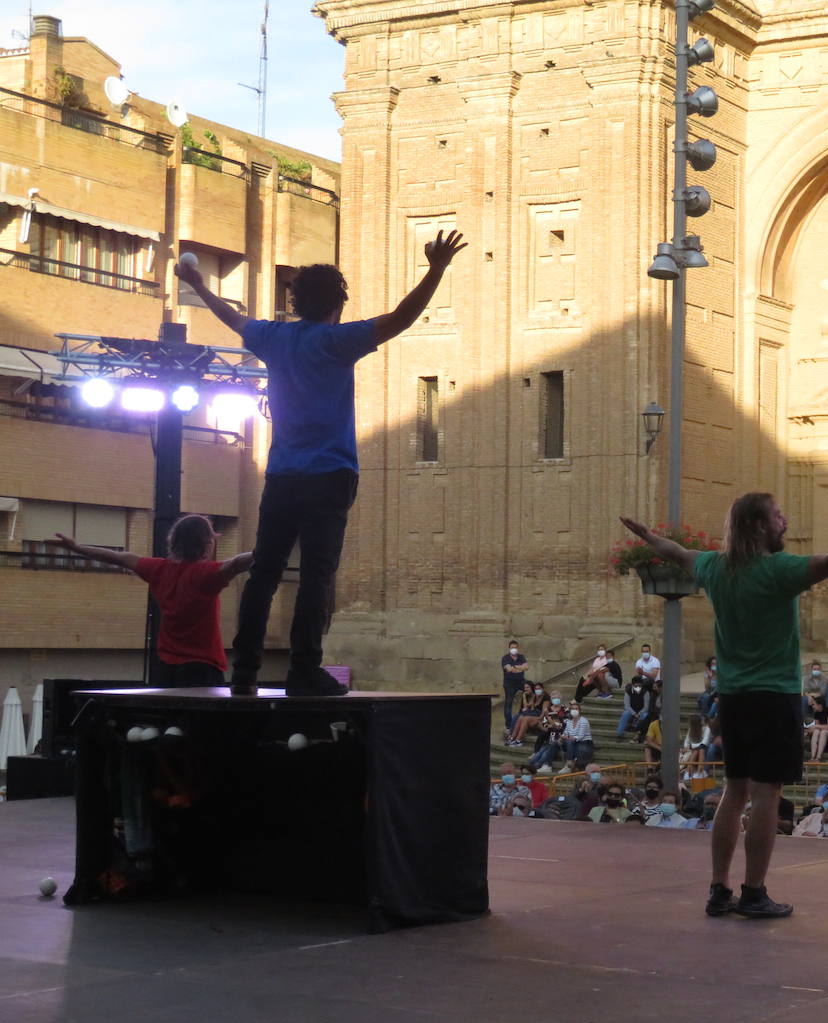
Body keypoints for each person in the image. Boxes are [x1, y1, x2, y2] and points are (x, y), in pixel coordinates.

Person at [177, 230, 467, 696]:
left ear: (294, 303)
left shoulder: (271, 337)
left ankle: (245, 672)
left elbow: (231, 316)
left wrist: (196, 280)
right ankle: (303, 671)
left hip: (282, 476)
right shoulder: (339, 341)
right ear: (339, 304)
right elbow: (400, 319)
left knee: (265, 572)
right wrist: (436, 269)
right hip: (330, 476)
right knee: (316, 575)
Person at [619, 494, 828, 919]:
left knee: (734, 792)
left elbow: (677, 553)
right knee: (766, 795)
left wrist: (648, 536)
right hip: (773, 699)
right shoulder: (779, 570)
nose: (785, 520)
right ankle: (753, 892)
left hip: (733, 699)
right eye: (778, 516)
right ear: (759, 526)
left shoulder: (714, 567)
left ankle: (719, 891)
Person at [48, 517, 252, 687]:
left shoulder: (158, 570)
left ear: (174, 542)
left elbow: (118, 557)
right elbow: (235, 563)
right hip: (202, 669)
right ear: (207, 543)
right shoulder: (206, 574)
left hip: (165, 669)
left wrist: (77, 548)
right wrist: (271, 549)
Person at [501, 640, 530, 733]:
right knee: (508, 703)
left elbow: (526, 667)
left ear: (518, 648)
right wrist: (519, 667)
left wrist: (515, 667)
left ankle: (526, 717)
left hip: (521, 681)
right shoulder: (505, 658)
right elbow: (509, 669)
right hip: (509, 683)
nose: (514, 649)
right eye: (512, 647)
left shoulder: (521, 657)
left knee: (531, 687)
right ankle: (509, 726)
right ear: (509, 648)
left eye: (515, 647)